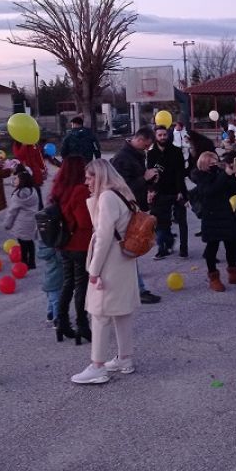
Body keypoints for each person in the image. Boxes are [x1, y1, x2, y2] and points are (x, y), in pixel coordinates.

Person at [71, 159, 143, 384]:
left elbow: (102, 237)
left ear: (100, 176)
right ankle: (125, 358)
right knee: (121, 312)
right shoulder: (123, 193)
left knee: (99, 313)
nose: (86, 182)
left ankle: (98, 366)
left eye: (90, 177)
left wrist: (94, 270)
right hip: (124, 260)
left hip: (110, 261)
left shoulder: (107, 197)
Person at [109, 127, 162, 304]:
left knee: (130, 250)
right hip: (125, 210)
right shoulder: (123, 158)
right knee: (130, 248)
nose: (147, 149)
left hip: (135, 206)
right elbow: (122, 188)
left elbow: (135, 180)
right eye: (146, 145)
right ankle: (138, 289)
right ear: (139, 140)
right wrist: (144, 179)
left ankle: (135, 287)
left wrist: (150, 184)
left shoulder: (136, 154)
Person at [191, 152, 236, 292]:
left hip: (225, 213)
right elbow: (210, 190)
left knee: (231, 244)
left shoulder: (220, 173)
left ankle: (233, 273)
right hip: (211, 216)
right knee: (212, 247)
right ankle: (213, 277)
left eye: (216, 161)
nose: (214, 164)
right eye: (211, 162)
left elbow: (231, 191)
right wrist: (226, 174)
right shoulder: (200, 176)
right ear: (204, 163)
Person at [51, 156, 93, 344]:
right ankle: (82, 325)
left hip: (63, 242)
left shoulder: (59, 188)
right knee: (81, 285)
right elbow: (84, 222)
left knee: (68, 283)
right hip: (79, 243)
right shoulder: (80, 191)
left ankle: (62, 322)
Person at [147, 125, 189, 260]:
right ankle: (162, 248)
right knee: (160, 222)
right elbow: (150, 173)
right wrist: (151, 190)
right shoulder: (151, 153)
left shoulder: (176, 151)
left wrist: (180, 191)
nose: (163, 137)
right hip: (160, 192)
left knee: (182, 221)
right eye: (160, 135)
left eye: (164, 134)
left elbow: (180, 173)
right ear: (155, 136)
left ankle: (184, 248)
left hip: (177, 191)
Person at [4, 167, 39, 269]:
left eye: (16, 179)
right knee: (30, 242)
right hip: (32, 222)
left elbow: (12, 212)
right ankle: (32, 262)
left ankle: (24, 262)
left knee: (23, 243)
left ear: (21, 181)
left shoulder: (17, 195)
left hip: (22, 224)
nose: (14, 180)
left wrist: (7, 224)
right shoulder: (34, 192)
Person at [39, 236, 64, 333]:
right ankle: (57, 319)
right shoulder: (56, 253)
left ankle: (50, 314)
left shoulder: (46, 251)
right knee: (56, 300)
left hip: (49, 279)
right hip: (56, 279)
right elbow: (61, 259)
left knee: (51, 298)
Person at [12, 139, 47, 207]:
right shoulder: (17, 144)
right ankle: (22, 207)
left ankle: (40, 208)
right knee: (24, 190)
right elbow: (19, 156)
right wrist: (24, 145)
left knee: (37, 190)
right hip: (24, 171)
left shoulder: (33, 143)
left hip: (35, 171)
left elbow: (38, 157)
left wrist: (43, 168)